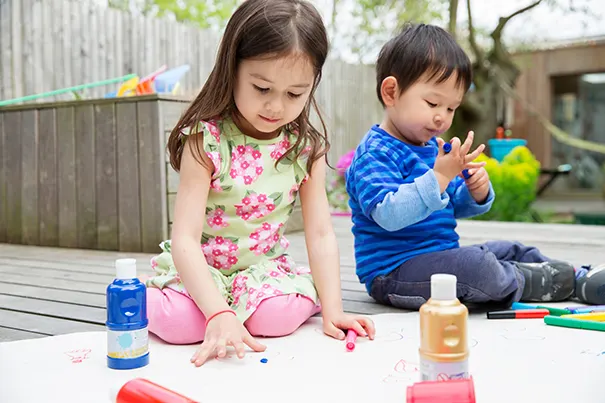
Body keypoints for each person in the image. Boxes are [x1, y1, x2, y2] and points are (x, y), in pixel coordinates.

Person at [144, 0, 375, 366]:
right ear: (232, 70)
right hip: (201, 268)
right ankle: (219, 312)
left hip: (261, 272)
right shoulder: (206, 139)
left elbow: (320, 234)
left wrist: (333, 310)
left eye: (294, 94)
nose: (276, 107)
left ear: (312, 84)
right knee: (179, 323)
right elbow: (185, 238)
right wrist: (217, 312)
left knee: (277, 318)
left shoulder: (304, 148)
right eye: (262, 88)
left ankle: (240, 311)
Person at [345, 23, 602, 311]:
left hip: (441, 258)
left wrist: (474, 192)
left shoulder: (434, 148)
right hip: (394, 272)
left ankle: (576, 275)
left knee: (511, 249)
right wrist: (441, 175)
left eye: (451, 108)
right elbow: (389, 215)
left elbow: (453, 204)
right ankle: (549, 282)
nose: (443, 117)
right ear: (391, 92)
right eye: (433, 103)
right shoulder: (375, 153)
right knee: (479, 268)